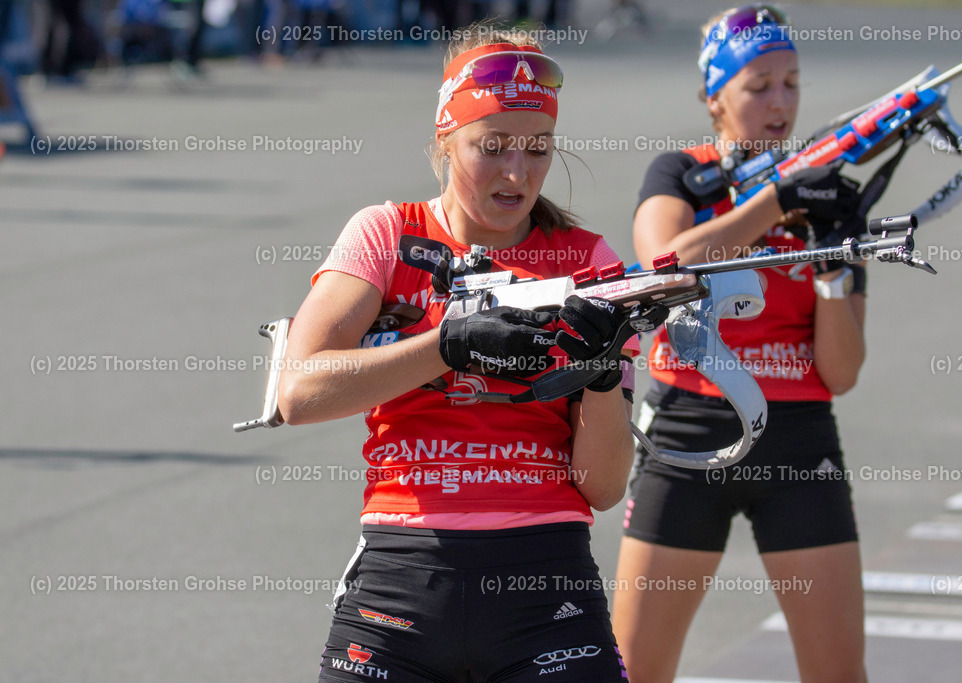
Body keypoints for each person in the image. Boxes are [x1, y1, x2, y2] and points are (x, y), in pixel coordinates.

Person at [278, 21, 642, 682]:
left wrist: (597, 376)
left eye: (538, 148)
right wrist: (447, 346)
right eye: (491, 145)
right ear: (446, 138)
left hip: (546, 582)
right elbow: (299, 391)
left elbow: (606, 485)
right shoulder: (388, 232)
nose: (516, 171)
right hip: (400, 581)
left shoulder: (589, 261)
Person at [612, 5, 869, 682]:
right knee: (634, 671)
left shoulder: (827, 193)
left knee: (838, 673)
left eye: (791, 82)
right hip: (689, 427)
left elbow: (841, 371)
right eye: (758, 86)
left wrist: (834, 265)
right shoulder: (681, 175)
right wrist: (774, 201)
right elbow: (664, 266)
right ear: (715, 97)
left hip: (798, 437)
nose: (779, 102)